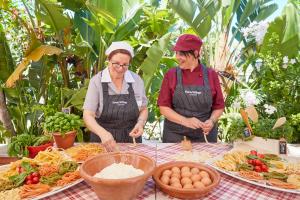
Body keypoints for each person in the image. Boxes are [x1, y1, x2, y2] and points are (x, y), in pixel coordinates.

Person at [157, 34, 225, 143]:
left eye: (182, 54)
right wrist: (185, 121)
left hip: (204, 135)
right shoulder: (171, 74)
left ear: (195, 53)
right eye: (176, 53)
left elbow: (219, 106)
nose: (177, 57)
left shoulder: (211, 75)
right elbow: (163, 107)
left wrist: (211, 121)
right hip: (175, 134)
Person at [83, 41, 148, 151]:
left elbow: (144, 109)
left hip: (131, 140)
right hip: (102, 141)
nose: (120, 68)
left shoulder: (136, 80)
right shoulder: (97, 81)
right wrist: (103, 133)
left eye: (125, 65)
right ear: (108, 60)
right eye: (116, 64)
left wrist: (140, 124)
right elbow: (88, 115)